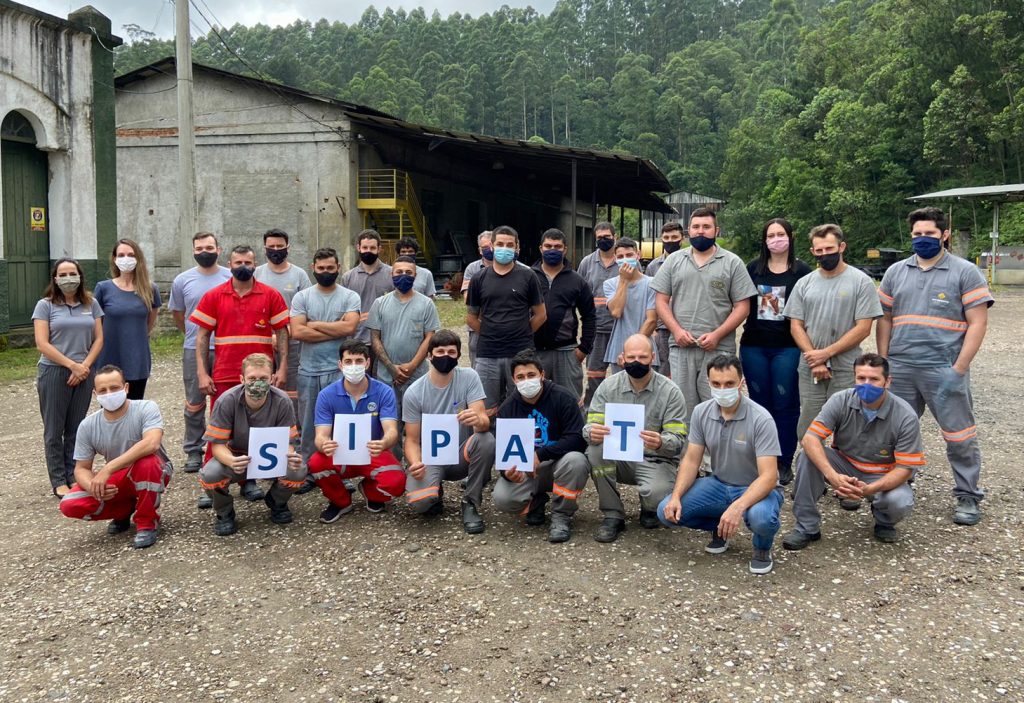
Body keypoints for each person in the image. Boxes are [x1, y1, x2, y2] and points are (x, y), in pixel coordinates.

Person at [877, 207, 993, 526]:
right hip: (901, 368)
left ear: (944, 235)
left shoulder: (965, 272)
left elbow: (978, 323)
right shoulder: (895, 272)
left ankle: (968, 495)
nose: (922, 238)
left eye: (929, 233)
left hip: (943, 369)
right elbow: (884, 319)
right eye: (917, 234)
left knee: (959, 435)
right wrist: (884, 362)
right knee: (896, 432)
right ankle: (897, 485)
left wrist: (959, 368)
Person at [783, 354, 925, 549]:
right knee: (807, 456)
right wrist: (832, 476)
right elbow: (810, 439)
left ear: (887, 381)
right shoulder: (840, 400)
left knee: (899, 501)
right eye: (861, 378)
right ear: (854, 378)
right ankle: (806, 527)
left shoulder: (905, 415)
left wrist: (869, 490)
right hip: (845, 465)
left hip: (882, 474)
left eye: (874, 379)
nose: (866, 384)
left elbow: (905, 469)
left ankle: (884, 520)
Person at [658, 355, 784, 574]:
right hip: (719, 484)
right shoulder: (701, 412)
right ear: (708, 383)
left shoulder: (761, 419)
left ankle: (762, 547)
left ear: (741, 383)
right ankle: (720, 527)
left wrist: (737, 507)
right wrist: (676, 496)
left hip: (757, 488)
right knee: (666, 511)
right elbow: (691, 460)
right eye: (716, 384)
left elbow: (769, 477)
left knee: (762, 519)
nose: (722, 389)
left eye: (729, 383)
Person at [786, 224, 882, 508]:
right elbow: (796, 324)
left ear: (841, 247)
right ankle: (810, 481)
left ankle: (847, 485)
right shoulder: (805, 283)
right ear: (812, 251)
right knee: (808, 426)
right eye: (819, 250)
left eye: (829, 248)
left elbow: (863, 327)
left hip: (846, 367)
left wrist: (826, 354)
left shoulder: (860, 282)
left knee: (847, 428)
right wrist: (814, 357)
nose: (824, 254)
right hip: (810, 367)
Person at [191, 245, 291, 504]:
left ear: (255, 264)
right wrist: (202, 372)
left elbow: (282, 332)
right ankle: (211, 483)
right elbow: (202, 336)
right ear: (230, 264)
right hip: (225, 374)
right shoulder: (214, 295)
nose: (243, 267)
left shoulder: (270, 295)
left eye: (248, 262)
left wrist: (281, 367)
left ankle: (249, 481)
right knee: (219, 430)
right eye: (238, 262)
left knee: (257, 429)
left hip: (260, 375)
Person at [652, 207, 757, 420]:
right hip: (681, 347)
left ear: (716, 231)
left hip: (719, 349)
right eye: (696, 227)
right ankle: (688, 444)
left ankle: (719, 444)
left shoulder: (732, 262)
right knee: (683, 409)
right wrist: (676, 331)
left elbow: (742, 307)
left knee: (720, 409)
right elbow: (660, 301)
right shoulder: (674, 261)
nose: (701, 231)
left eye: (706, 227)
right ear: (688, 231)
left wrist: (717, 335)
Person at [585, 334, 688, 543]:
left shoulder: (670, 392)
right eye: (631, 357)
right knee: (594, 452)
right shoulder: (607, 387)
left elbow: (678, 440)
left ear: (653, 357)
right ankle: (613, 514)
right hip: (619, 459)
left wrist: (661, 442)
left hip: (655, 459)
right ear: (622, 358)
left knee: (657, 497)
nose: (636, 362)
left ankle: (649, 507)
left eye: (642, 357)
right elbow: (590, 425)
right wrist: (591, 432)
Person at [58, 365, 171, 549]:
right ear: (95, 394)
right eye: (103, 390)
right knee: (69, 504)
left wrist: (108, 468)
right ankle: (124, 510)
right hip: (119, 477)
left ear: (126, 388)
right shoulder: (87, 425)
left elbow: (152, 443)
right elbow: (81, 468)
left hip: (155, 469)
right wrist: (93, 487)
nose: (109, 394)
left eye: (114, 388)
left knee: (147, 463)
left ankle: (147, 522)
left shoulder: (146, 407)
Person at [738, 219, 812, 484]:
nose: (776, 239)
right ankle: (761, 459)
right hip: (754, 345)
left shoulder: (802, 271)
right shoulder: (752, 269)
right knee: (759, 405)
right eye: (771, 235)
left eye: (781, 234)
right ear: (764, 240)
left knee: (785, 404)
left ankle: (783, 461)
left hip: (787, 347)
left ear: (790, 238)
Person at [198, 353, 305, 535]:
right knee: (210, 473)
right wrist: (231, 461)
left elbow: (287, 441)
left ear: (272, 379)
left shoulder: (283, 401)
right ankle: (224, 512)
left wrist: (290, 455)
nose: (258, 383)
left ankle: (277, 502)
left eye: (263, 378)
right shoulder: (226, 400)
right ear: (242, 379)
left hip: (271, 457)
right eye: (252, 378)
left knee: (298, 469)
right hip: (237, 455)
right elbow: (217, 445)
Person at [402, 330, 495, 533]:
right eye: (440, 351)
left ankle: (470, 502)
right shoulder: (414, 392)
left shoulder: (469, 377)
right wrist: (415, 462)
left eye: (451, 352)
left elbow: (483, 422)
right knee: (420, 504)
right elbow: (411, 440)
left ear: (458, 355)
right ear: (429, 355)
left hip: (462, 455)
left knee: (486, 440)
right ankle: (435, 490)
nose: (446, 356)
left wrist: (478, 420)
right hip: (431, 458)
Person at [493, 350, 590, 543]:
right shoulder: (506, 409)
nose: (526, 381)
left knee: (577, 461)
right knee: (502, 498)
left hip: (558, 465)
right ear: (513, 380)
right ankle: (536, 501)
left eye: (531, 375)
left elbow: (577, 439)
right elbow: (504, 453)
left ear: (542, 375)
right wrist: (507, 473)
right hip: (527, 471)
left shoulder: (563, 398)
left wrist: (541, 455)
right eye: (520, 377)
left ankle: (561, 515)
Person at [307, 340, 405, 521]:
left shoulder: (384, 391)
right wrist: (324, 444)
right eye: (348, 361)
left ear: (367, 363)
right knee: (316, 463)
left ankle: (371, 492)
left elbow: (391, 431)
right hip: (340, 453)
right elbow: (320, 436)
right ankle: (341, 501)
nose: (354, 366)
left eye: (359, 361)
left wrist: (384, 442)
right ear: (340, 365)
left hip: (372, 452)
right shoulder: (326, 395)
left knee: (397, 482)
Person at [33, 258, 104, 496]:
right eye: (62, 275)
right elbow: (42, 343)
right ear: (55, 279)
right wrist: (72, 366)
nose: (68, 278)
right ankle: (58, 480)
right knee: (54, 430)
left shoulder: (91, 303)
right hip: (54, 371)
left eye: (72, 273)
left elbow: (99, 339)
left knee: (76, 427)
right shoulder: (45, 306)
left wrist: (84, 367)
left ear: (80, 276)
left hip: (84, 371)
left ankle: (74, 475)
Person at [289, 248, 361, 466]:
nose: (326, 272)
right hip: (308, 371)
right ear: (313, 268)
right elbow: (297, 332)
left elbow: (349, 328)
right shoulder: (302, 297)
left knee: (340, 421)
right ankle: (309, 466)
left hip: (339, 371)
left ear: (338, 268)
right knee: (308, 423)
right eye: (321, 268)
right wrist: (335, 328)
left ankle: (341, 467)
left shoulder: (350, 296)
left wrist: (314, 324)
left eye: (330, 267)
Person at [167, 232, 231, 473]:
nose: (205, 252)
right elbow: (178, 314)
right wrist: (194, 336)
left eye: (209, 247)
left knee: (226, 400)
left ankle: (225, 445)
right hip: (194, 349)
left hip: (226, 348)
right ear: (193, 251)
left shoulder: (230, 277)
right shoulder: (182, 280)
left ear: (218, 250)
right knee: (194, 402)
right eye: (200, 248)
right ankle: (194, 449)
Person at [466, 225, 547, 416]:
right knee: (486, 409)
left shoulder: (528, 276)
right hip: (487, 354)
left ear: (517, 248)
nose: (505, 248)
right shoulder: (478, 278)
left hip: (520, 353)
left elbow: (541, 315)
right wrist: (490, 332)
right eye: (500, 244)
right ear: (492, 246)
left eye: (510, 245)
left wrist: (522, 332)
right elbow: (471, 317)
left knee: (521, 406)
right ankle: (489, 436)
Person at [367, 255, 441, 454]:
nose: (403, 276)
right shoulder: (380, 303)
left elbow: (430, 337)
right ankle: (394, 463)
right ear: (391, 274)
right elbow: (375, 338)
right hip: (386, 376)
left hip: (417, 376)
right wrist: (392, 368)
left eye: (409, 272)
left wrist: (411, 366)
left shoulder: (426, 304)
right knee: (389, 422)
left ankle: (419, 462)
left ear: (415, 275)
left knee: (417, 421)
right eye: (399, 272)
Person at [254, 228, 312, 426]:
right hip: (263, 342)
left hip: (293, 342)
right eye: (271, 246)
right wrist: (270, 336)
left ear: (288, 247)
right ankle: (265, 427)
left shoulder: (299, 275)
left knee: (292, 388)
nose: (276, 250)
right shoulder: (257, 273)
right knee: (261, 383)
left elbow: (306, 309)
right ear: (265, 248)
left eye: (280, 246)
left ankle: (293, 430)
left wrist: (284, 335)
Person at [531, 228, 595, 398]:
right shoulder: (528, 277)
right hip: (535, 351)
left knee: (570, 400)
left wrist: (583, 349)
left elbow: (589, 316)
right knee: (535, 399)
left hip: (566, 352)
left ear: (565, 249)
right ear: (541, 248)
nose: (552, 250)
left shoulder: (577, 280)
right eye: (548, 246)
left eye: (557, 246)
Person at [94, 238, 161, 399]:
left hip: (137, 359)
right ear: (114, 259)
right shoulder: (103, 288)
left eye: (131, 255)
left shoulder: (150, 289)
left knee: (135, 406)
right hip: (109, 357)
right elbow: (96, 325)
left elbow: (149, 323)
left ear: (138, 258)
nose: (126, 259)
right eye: (121, 255)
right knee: (110, 405)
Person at [577, 222, 621, 407]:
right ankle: (593, 412)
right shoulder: (587, 263)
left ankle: (619, 411)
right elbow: (579, 294)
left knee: (621, 375)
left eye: (607, 237)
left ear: (615, 237)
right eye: (599, 238)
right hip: (596, 329)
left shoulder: (624, 261)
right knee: (595, 374)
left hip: (620, 328)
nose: (603, 240)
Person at [604, 237, 658, 371]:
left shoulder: (652, 283)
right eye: (620, 256)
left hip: (645, 349)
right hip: (619, 350)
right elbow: (616, 312)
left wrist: (635, 349)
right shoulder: (609, 284)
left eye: (629, 255)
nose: (625, 259)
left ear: (638, 255)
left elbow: (651, 320)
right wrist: (623, 281)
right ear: (615, 259)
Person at [645, 221, 685, 378]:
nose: (670, 241)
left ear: (682, 239)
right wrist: (652, 327)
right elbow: (649, 298)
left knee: (683, 367)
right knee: (663, 365)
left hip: (685, 323)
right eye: (666, 237)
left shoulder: (692, 263)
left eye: (674, 237)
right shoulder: (653, 266)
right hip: (662, 326)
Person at [340, 229, 393, 343]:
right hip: (356, 341)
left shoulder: (392, 274)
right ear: (358, 248)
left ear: (379, 249)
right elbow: (342, 311)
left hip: (385, 340)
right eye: (365, 247)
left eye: (372, 248)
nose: (368, 251)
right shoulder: (348, 277)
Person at [461, 231, 494, 365]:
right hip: (477, 326)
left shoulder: (514, 268)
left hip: (505, 326)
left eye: (491, 246)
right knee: (478, 365)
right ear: (480, 250)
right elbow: (467, 299)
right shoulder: (472, 269)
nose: (489, 250)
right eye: (485, 247)